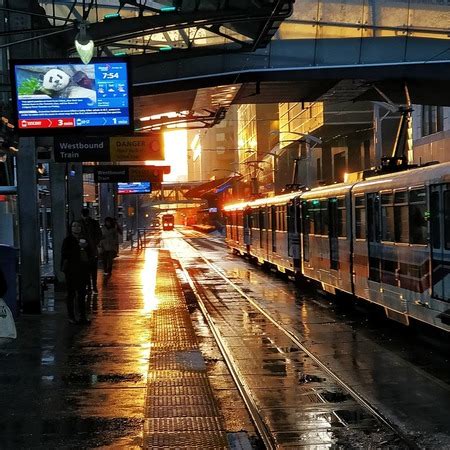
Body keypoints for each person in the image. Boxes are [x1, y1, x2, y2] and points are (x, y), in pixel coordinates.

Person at [61, 220, 92, 324]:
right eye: (74, 226)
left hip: (82, 270)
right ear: (71, 228)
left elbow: (91, 253)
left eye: (78, 226)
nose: (76, 228)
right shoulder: (68, 240)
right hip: (71, 270)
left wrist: (86, 248)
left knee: (82, 294)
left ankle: (83, 316)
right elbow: (65, 254)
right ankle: (71, 316)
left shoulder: (85, 239)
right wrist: (78, 248)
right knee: (71, 294)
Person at [80, 208, 102, 293]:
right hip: (89, 249)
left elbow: (99, 235)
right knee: (91, 269)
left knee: (89, 269)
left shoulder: (80, 223)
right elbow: (99, 234)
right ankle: (91, 286)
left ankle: (90, 286)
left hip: (89, 249)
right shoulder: (94, 223)